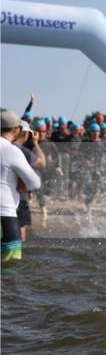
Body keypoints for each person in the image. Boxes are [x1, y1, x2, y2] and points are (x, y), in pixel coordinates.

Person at [1, 111, 42, 264]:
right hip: (5, 216)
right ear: (16, 130)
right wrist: (21, 180)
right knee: (10, 270)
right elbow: (34, 182)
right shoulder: (11, 150)